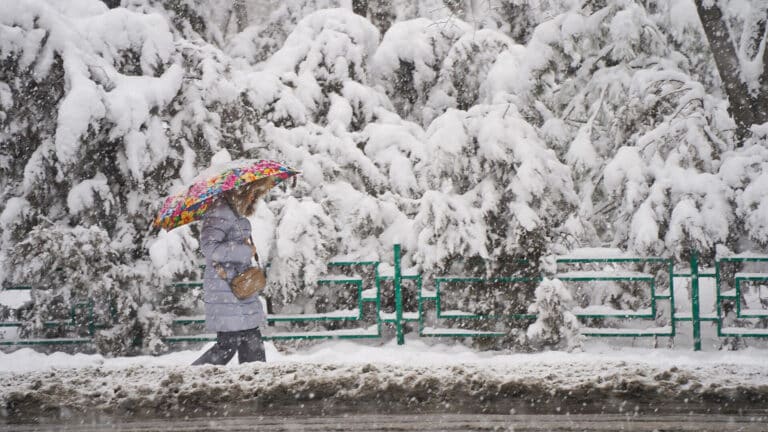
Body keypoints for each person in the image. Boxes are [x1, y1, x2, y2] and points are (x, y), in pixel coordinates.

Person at [192, 177, 275, 365]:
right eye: (253, 192)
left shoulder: (233, 212)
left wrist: (244, 246)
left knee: (251, 341)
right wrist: (244, 251)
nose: (255, 197)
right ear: (243, 190)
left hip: (239, 285)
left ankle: (256, 383)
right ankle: (189, 379)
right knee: (228, 344)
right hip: (225, 287)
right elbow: (209, 248)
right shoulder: (220, 211)